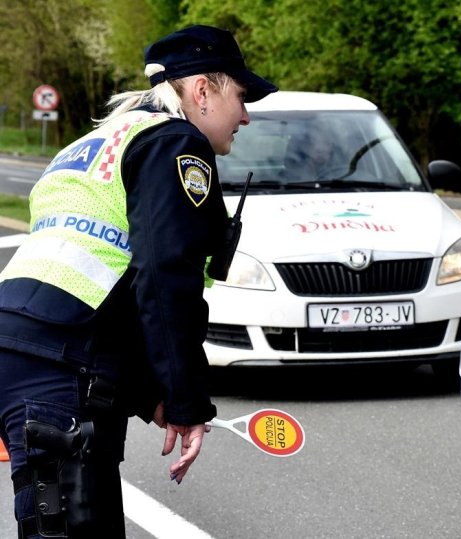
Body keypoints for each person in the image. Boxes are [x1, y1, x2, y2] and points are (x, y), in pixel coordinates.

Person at [0, 25, 277, 538]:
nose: (245, 115)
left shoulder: (88, 144)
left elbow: (105, 280)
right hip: (59, 366)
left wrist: (153, 395)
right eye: (240, 96)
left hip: (19, 345)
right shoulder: (176, 142)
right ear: (201, 91)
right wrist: (189, 403)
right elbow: (164, 277)